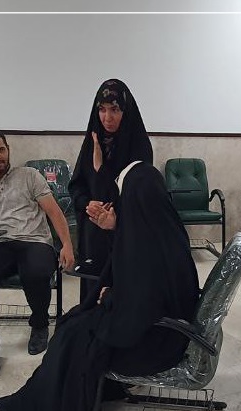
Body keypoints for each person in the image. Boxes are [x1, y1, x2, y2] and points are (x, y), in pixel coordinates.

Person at [0, 162, 199, 411]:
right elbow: (138, 276)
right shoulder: (162, 230)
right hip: (160, 329)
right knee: (74, 322)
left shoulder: (151, 245)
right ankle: (46, 399)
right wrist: (114, 230)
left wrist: (111, 297)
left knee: (72, 336)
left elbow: (144, 302)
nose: (119, 203)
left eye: (123, 196)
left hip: (157, 342)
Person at [0, 129, 75, 375]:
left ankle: (40, 324)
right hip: (1, 243)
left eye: (0, 150)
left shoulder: (29, 175)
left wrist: (66, 244)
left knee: (35, 271)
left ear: (8, 149)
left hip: (36, 241)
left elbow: (54, 212)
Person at [68, 78, 153, 303]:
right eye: (102, 109)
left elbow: (136, 195)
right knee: (92, 295)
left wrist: (100, 169)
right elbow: (76, 185)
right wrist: (87, 203)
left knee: (118, 296)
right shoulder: (93, 143)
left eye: (115, 109)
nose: (107, 117)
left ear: (126, 111)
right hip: (93, 235)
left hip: (125, 235)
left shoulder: (139, 147)